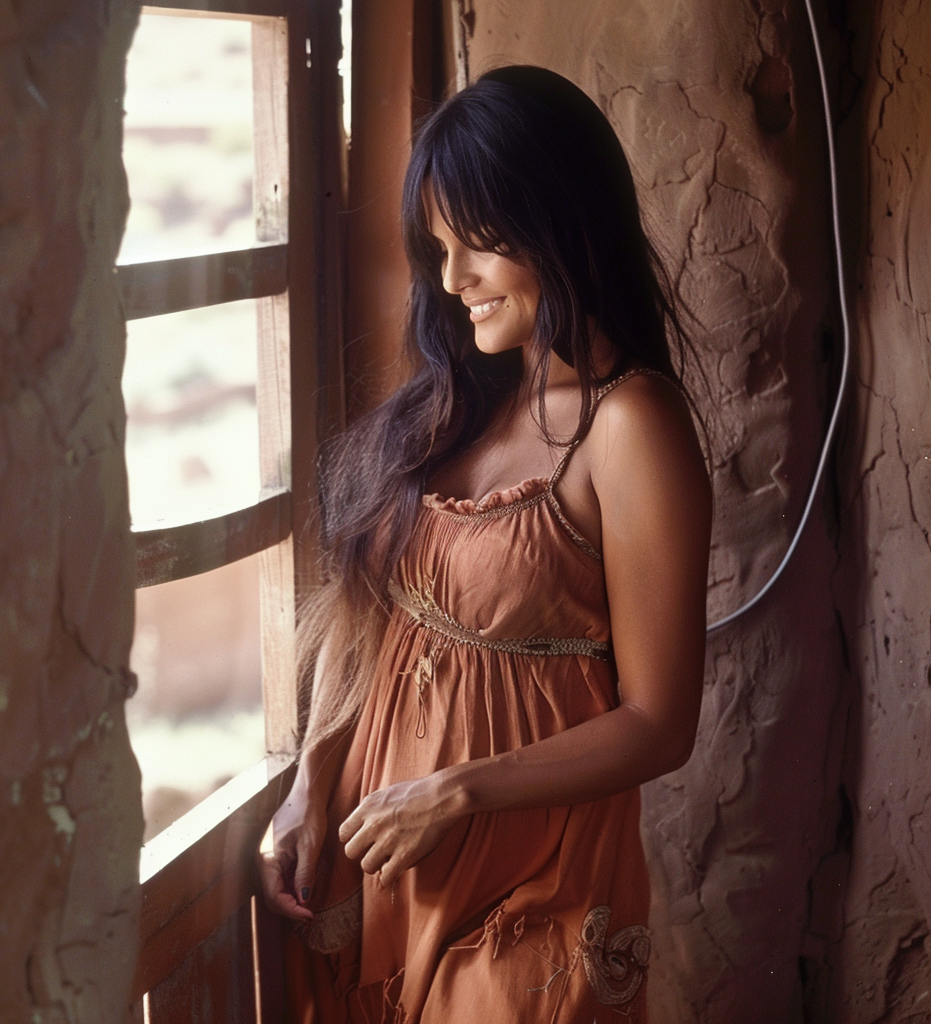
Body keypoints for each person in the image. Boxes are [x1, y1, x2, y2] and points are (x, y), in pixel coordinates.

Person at [258, 65, 712, 1024]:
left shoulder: (630, 427)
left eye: (481, 244)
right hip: (379, 864)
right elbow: (373, 615)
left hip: (530, 887)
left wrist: (453, 793)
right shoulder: (460, 401)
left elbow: (662, 722)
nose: (454, 278)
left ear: (561, 222)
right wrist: (309, 783)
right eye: (440, 246)